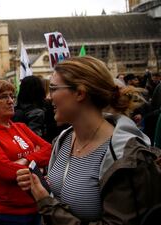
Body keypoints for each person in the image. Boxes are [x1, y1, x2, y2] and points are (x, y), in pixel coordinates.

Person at [16, 56, 153, 224]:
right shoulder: (63, 140)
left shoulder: (125, 155)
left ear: (80, 93)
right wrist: (39, 188)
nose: (49, 97)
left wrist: (47, 205)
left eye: (53, 88)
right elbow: (60, 194)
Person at [0, 79, 52, 225]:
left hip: (36, 206)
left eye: (12, 96)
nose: (11, 101)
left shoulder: (20, 127)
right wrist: (38, 168)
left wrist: (26, 160)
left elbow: (49, 150)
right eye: (4, 97)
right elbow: (6, 171)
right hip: (10, 213)